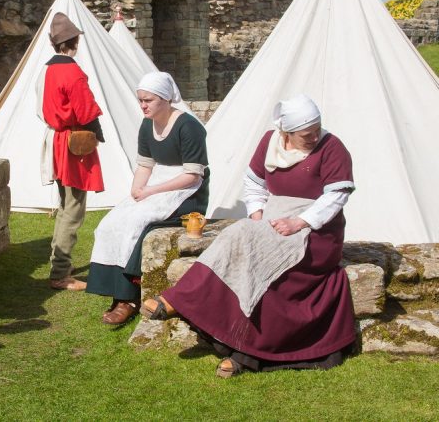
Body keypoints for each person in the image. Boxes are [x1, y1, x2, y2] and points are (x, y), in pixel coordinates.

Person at [141, 94, 356, 377]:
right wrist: (258, 215)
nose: (315, 136)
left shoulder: (332, 148)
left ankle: (243, 353)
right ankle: (189, 307)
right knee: (238, 234)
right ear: (285, 132)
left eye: (317, 129)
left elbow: (335, 198)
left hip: (316, 234)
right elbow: (254, 183)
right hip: (274, 222)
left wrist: (300, 222)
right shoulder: (270, 143)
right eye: (307, 134)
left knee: (266, 269)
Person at [86, 71, 208, 325]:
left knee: (139, 223)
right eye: (140, 100)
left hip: (188, 191)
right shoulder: (146, 124)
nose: (143, 105)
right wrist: (136, 190)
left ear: (165, 99)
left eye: (148, 100)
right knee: (111, 222)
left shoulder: (189, 126)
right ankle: (115, 290)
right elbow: (144, 164)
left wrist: (151, 192)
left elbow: (193, 175)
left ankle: (128, 300)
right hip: (157, 184)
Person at [36, 12, 105, 291]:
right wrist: (98, 134)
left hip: (56, 140)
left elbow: (41, 110)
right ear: (74, 41)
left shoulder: (46, 69)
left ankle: (58, 262)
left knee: (66, 205)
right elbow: (86, 110)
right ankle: (60, 273)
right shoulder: (71, 71)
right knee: (73, 208)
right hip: (72, 144)